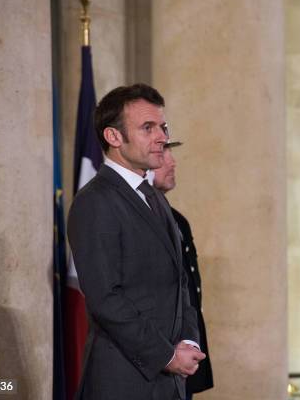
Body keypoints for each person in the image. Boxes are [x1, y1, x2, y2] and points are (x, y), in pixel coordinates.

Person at [67, 83, 206, 400]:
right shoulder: (95, 202)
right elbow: (106, 298)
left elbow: (179, 281)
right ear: (114, 137)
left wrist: (189, 341)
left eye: (163, 126)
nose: (162, 137)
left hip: (169, 383)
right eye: (148, 128)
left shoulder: (155, 199)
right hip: (123, 381)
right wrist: (167, 356)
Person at [153, 141, 214, 399]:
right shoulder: (138, 219)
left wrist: (190, 342)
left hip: (182, 354)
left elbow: (188, 290)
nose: (172, 161)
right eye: (164, 152)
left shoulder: (177, 220)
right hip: (158, 357)